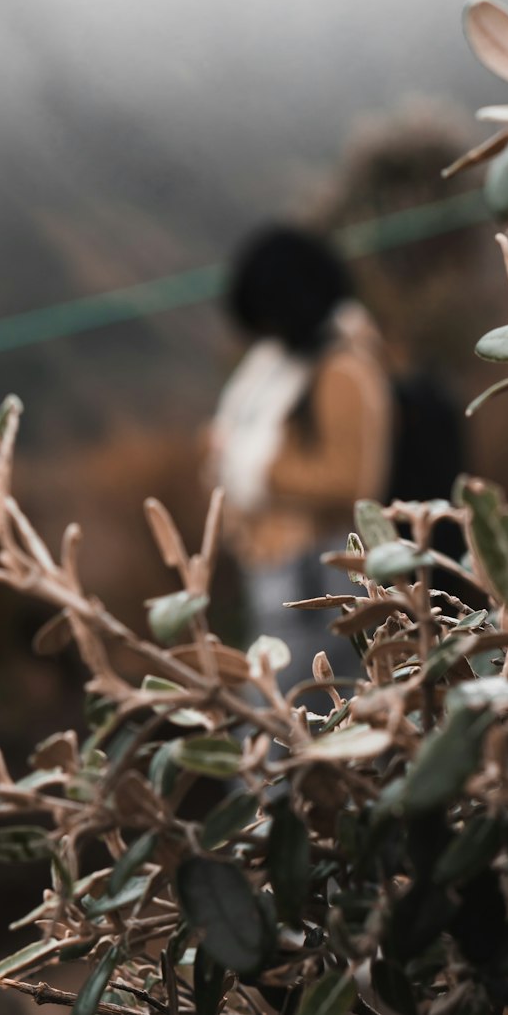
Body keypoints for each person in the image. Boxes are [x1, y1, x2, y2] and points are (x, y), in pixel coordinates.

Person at [207, 225, 392, 689]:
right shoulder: (285, 365)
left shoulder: (342, 370)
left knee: (292, 711)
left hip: (318, 577)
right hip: (279, 569)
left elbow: (351, 481)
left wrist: (258, 471)